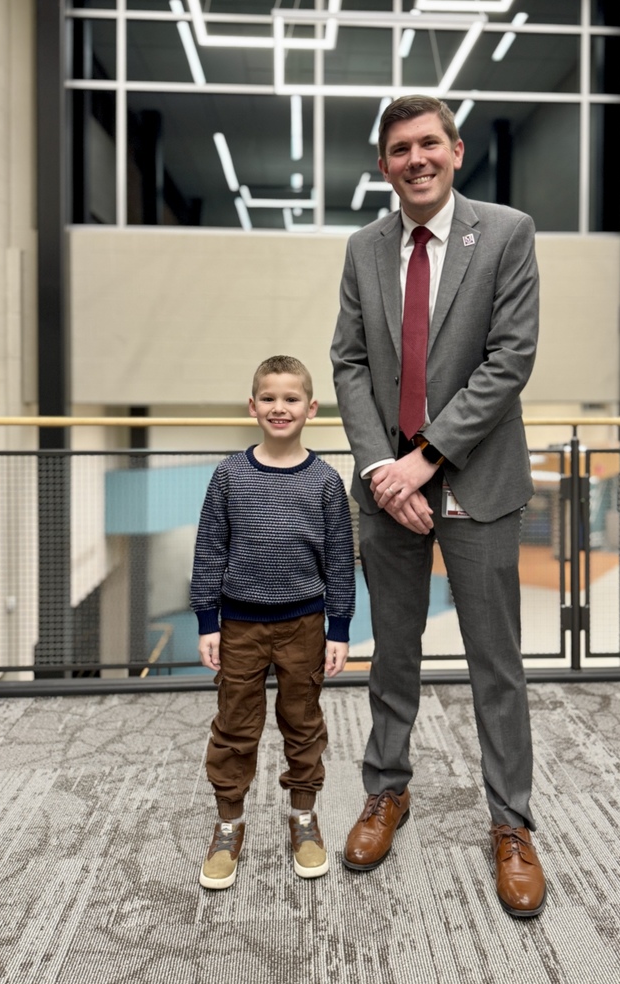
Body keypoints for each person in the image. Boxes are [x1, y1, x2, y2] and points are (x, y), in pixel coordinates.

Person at [330, 96, 546, 917]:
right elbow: (349, 364)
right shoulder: (363, 249)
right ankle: (387, 791)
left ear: (455, 151)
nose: (414, 159)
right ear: (382, 164)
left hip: (478, 482)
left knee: (497, 666)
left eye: (428, 144)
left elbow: (508, 361)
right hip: (389, 485)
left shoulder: (506, 233)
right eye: (398, 149)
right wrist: (384, 466)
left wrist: (425, 461)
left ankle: (511, 823)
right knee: (393, 654)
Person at [191, 355, 355, 890]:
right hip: (238, 626)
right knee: (236, 726)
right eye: (268, 398)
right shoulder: (229, 476)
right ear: (252, 405)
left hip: (304, 625)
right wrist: (206, 620)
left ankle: (303, 819)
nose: (278, 408)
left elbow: (338, 561)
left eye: (290, 399)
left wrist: (340, 627)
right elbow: (210, 550)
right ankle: (228, 824)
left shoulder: (327, 482)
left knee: (303, 725)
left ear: (310, 408)